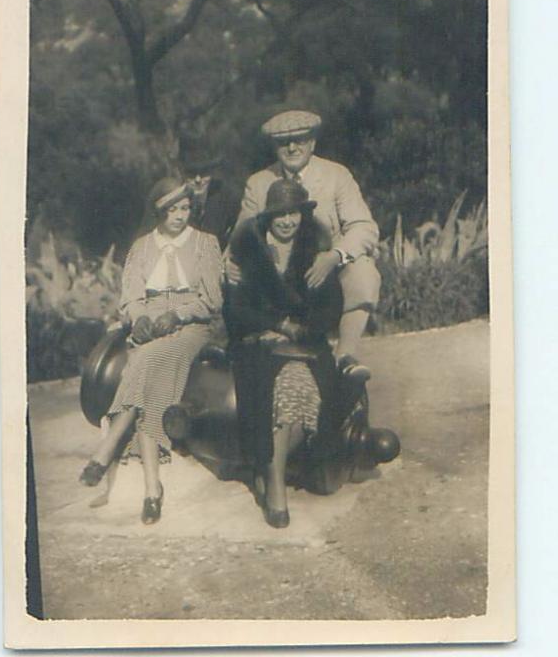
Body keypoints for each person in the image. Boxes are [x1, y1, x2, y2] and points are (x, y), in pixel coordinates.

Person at [78, 177, 223, 524]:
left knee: (148, 358)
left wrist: (180, 314)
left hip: (190, 326)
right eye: (172, 210)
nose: (180, 216)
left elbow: (213, 299)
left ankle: (106, 449)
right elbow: (131, 297)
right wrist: (140, 318)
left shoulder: (205, 243)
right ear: (158, 212)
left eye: (185, 208)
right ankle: (151, 490)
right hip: (151, 325)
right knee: (149, 371)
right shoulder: (142, 248)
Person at [224, 179, 344, 528]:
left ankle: (270, 471)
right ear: (268, 217)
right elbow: (237, 311)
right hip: (257, 344)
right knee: (265, 394)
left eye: (293, 213)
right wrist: (278, 325)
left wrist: (302, 330)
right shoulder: (248, 253)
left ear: (303, 215)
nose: (287, 221)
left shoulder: (316, 253)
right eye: (280, 214)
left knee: (299, 388)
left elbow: (331, 310)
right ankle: (276, 482)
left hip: (303, 348)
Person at [226, 110, 380, 379]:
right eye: (284, 142)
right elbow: (242, 235)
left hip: (328, 267)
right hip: (280, 270)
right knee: (234, 277)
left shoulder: (336, 175)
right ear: (274, 147)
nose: (292, 147)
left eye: (300, 140)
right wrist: (229, 262)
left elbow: (363, 226)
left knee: (364, 271)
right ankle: (242, 355)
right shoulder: (259, 183)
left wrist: (334, 255)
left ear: (313, 143)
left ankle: (345, 356)